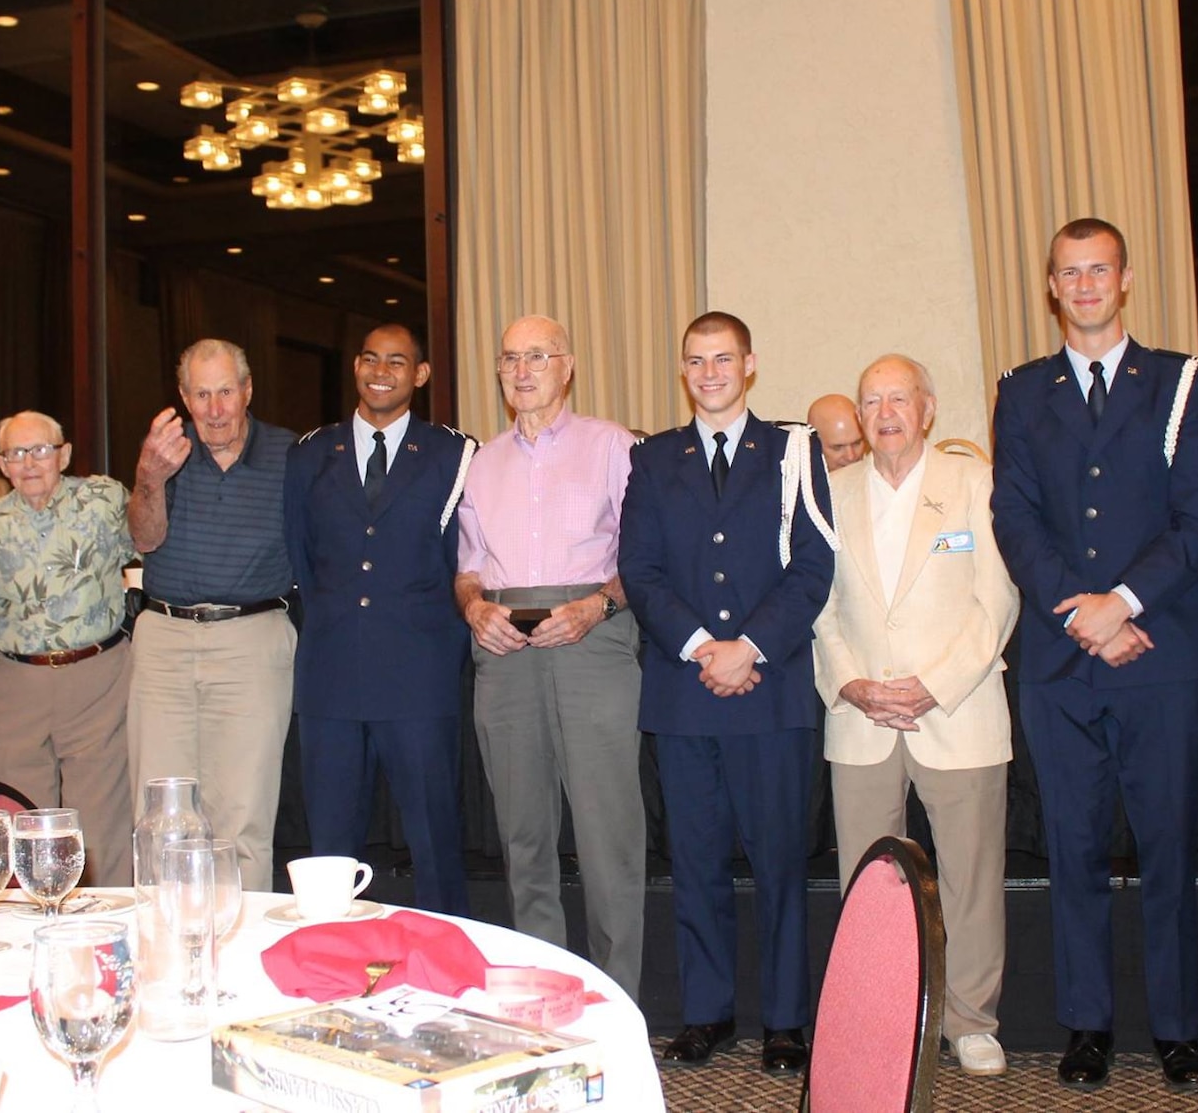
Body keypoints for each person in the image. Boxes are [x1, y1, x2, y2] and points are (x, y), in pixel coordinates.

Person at [990, 219, 1198, 1092]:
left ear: (1125, 280)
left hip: (1158, 650)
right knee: (1072, 849)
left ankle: (1178, 1028)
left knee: (1167, 849)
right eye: (1068, 273)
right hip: (1060, 658)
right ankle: (1086, 1023)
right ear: (1051, 285)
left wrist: (1121, 602)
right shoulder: (1021, 388)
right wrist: (1081, 613)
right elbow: (1016, 515)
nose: (1084, 285)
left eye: (1099, 270)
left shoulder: (1180, 381)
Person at [620, 311, 836, 1076]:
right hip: (683, 692)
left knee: (780, 862)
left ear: (750, 364)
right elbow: (638, 569)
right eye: (696, 360)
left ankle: (785, 1019)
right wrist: (697, 646)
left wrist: (748, 646)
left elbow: (814, 565)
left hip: (768, 689)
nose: (710, 372)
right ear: (683, 370)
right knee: (697, 863)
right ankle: (706, 1011)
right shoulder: (652, 458)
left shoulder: (794, 451)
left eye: (723, 358)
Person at [811, 353, 1017, 1077]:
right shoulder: (829, 493)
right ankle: (878, 1018)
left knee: (969, 875)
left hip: (957, 708)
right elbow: (819, 609)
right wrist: (852, 682)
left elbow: (997, 600)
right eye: (872, 401)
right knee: (869, 882)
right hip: (861, 715)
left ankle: (970, 1019)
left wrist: (936, 683)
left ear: (928, 409)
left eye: (899, 398)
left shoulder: (976, 483)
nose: (886, 412)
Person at [454, 315, 644, 995]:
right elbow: (468, 566)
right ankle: (543, 992)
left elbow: (645, 559)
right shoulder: (483, 462)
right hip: (504, 646)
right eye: (510, 358)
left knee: (606, 829)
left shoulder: (613, 446)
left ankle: (615, 995)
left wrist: (597, 605)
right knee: (522, 833)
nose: (522, 369)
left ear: (567, 366)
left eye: (538, 355)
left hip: (591, 635)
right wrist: (473, 607)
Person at [285, 324, 474, 915]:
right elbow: (300, 558)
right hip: (332, 673)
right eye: (369, 358)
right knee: (330, 849)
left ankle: (444, 957)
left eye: (397, 361)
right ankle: (326, 962)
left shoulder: (454, 453)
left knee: (434, 842)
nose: (380, 370)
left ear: (419, 374)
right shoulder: (311, 452)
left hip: (420, 673)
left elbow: (462, 560)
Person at [127, 338, 297, 891]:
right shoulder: (165, 453)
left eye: (226, 391)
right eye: (202, 395)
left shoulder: (290, 454)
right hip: (164, 640)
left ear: (248, 391)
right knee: (161, 815)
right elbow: (145, 538)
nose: (216, 409)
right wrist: (149, 474)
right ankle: (164, 956)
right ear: (183, 397)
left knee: (242, 821)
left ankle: (243, 954)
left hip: (252, 638)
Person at [0, 410, 136, 885]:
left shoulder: (103, 499)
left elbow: (144, 545)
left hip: (97, 678)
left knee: (102, 822)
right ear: (2, 464)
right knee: (18, 818)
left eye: (40, 449)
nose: (30, 462)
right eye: (17, 453)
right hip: (17, 684)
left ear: (64, 454)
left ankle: (108, 932)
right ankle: (25, 932)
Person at [805, 393, 866, 472]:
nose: (851, 456)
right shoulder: (792, 481)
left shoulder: (880, 479)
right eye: (837, 448)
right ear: (813, 445)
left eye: (857, 443)